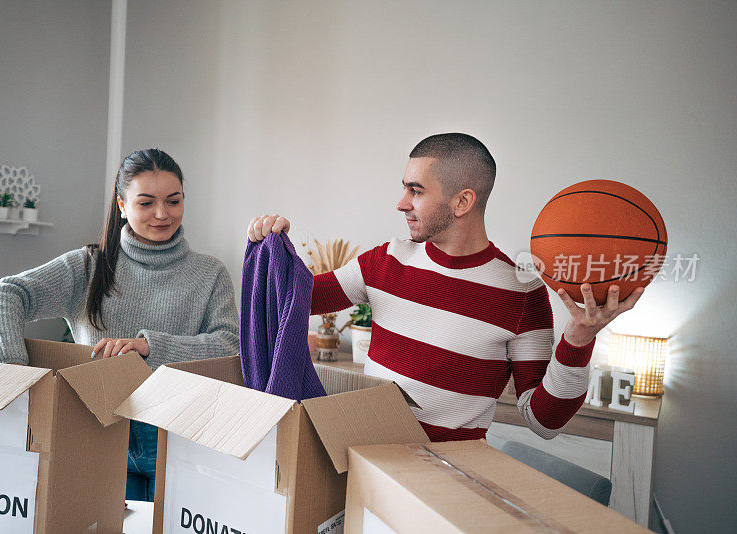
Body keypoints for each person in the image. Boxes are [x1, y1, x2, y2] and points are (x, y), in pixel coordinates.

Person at [247, 133, 642, 442]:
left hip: (447, 478)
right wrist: (272, 248)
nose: (401, 203)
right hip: (364, 458)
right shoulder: (385, 261)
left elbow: (543, 422)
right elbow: (294, 301)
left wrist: (578, 337)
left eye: (415, 191)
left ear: (462, 201)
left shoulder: (522, 293)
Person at [0, 148, 240, 499]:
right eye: (146, 203)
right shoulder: (89, 266)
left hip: (180, 435)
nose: (162, 214)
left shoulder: (210, 273)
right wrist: (13, 372)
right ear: (121, 205)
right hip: (98, 429)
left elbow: (230, 345)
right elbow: (3, 295)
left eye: (173, 201)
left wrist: (150, 346)